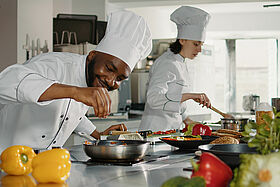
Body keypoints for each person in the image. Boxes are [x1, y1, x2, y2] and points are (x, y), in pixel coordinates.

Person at [0, 10, 152, 153]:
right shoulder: (55, 65)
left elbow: (67, 113)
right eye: (109, 68)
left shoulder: (90, 79)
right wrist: (75, 92)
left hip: (44, 164)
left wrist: (98, 135)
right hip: (6, 160)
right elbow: (6, 82)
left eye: (119, 78)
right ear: (92, 55)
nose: (111, 81)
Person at [139, 6, 211, 132]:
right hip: (154, 132)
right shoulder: (167, 63)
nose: (199, 49)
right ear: (182, 40)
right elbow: (153, 99)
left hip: (170, 132)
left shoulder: (181, 63)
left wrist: (187, 120)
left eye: (201, 45)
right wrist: (189, 96)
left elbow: (175, 103)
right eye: (196, 44)